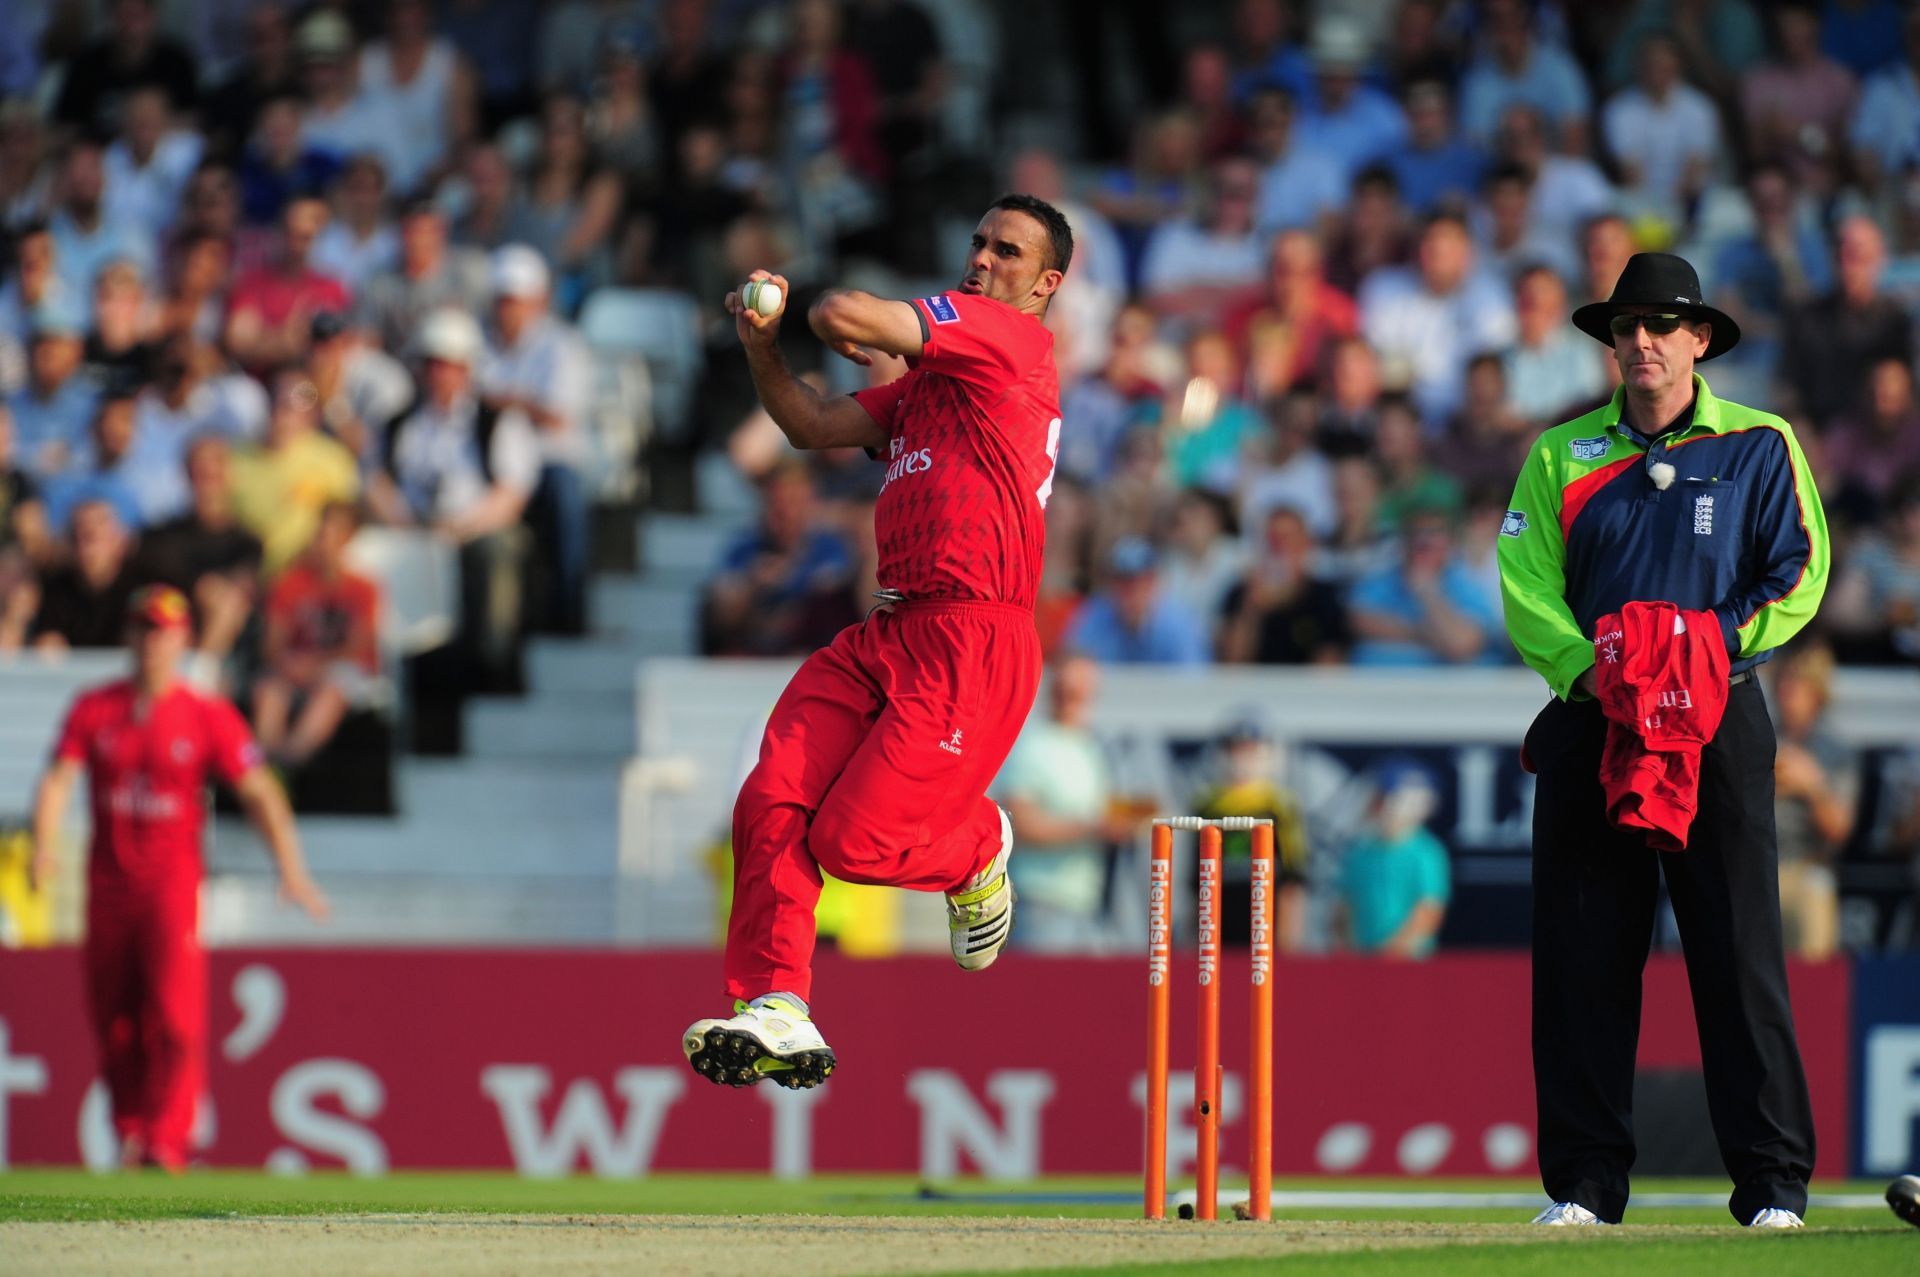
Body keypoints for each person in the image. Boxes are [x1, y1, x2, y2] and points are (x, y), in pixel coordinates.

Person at [680, 194, 1072, 1091]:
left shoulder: (1012, 341)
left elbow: (839, 311)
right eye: (976, 242)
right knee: (772, 794)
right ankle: (776, 1002)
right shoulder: (936, 383)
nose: (982, 259)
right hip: (890, 627)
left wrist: (812, 311)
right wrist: (760, 347)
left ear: (1045, 284)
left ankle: (976, 844)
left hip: (974, 636)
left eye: (1007, 251)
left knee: (854, 843)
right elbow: (811, 426)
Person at [1497, 252, 1828, 1228]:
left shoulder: (1760, 441)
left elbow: (1799, 570)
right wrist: (1603, 672)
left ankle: (1772, 1186)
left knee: (1738, 952)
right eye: (1625, 326)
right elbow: (1524, 583)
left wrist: (1703, 649)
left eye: (1660, 324)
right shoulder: (1562, 453)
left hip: (1717, 718)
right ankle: (1585, 1187)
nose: (1641, 341)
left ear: (1699, 339)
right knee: (1583, 960)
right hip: (1596, 719)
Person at [29, 585, 327, 1171]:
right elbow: (58, 779)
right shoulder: (96, 707)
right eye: (143, 627)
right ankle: (130, 1131)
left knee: (175, 1017)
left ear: (183, 638)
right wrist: (44, 845)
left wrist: (291, 867)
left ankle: (168, 1139)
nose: (152, 641)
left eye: (164, 629)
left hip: (170, 887)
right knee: (114, 1018)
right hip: (108, 888)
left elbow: (260, 790)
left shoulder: (205, 712)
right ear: (129, 635)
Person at [992, 652, 1136, 951]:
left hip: (1085, 903)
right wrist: (1092, 828)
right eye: (1070, 690)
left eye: (1082, 690)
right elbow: (1019, 823)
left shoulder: (1091, 747)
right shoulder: (1033, 745)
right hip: (1041, 901)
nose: (1076, 698)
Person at [254, 502, 381, 767]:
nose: (322, 540)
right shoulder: (290, 582)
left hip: (339, 669)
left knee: (333, 688)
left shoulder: (363, 589)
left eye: (332, 533)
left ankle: (291, 759)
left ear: (347, 539)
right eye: (321, 532)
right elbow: (272, 642)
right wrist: (289, 663)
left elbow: (358, 646)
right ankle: (264, 763)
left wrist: (315, 665)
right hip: (294, 664)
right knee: (269, 689)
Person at [1190, 715, 1312, 952]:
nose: (1242, 757)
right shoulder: (1207, 805)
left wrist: (1288, 942)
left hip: (1265, 924)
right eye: (1236, 748)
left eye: (1250, 749)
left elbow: (1293, 880)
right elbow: (1198, 880)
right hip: (1218, 925)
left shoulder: (1280, 805)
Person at [1334, 759, 1449, 958]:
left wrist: (1392, 952)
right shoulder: (1360, 853)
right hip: (1362, 964)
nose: (1375, 805)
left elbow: (1429, 911)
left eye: (1384, 797)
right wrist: (1350, 951)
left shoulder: (1427, 854)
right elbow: (1344, 908)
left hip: (1410, 964)